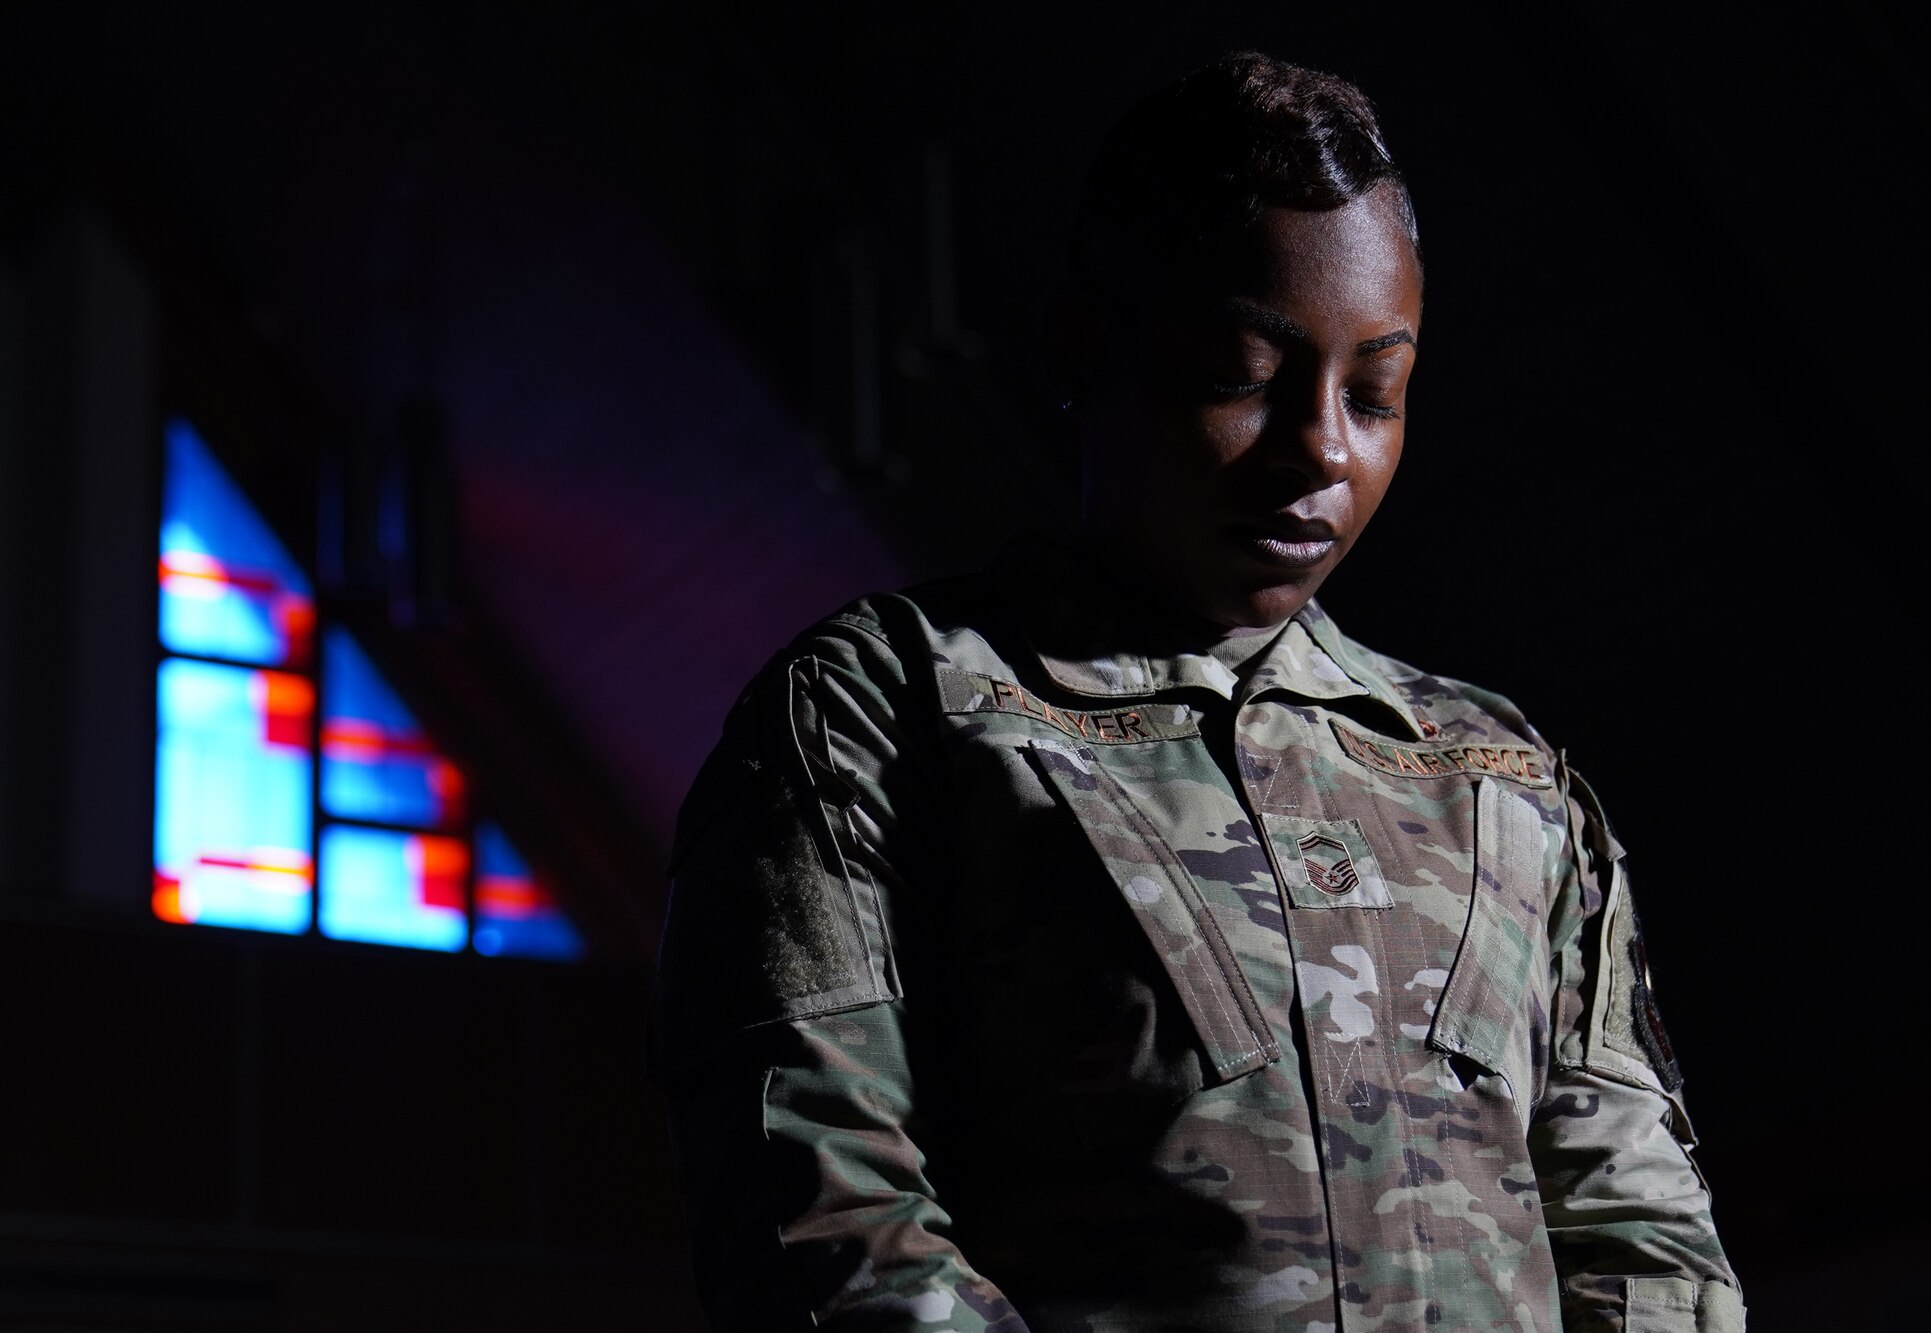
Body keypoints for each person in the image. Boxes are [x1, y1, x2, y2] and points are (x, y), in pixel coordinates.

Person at [649, 51, 1743, 1333]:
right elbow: (827, 1225)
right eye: (1242, 373)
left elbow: (1639, 1232)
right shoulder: (886, 714)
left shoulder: (1499, 778)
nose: (1319, 447)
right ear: (1082, 343)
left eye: (1374, 392)